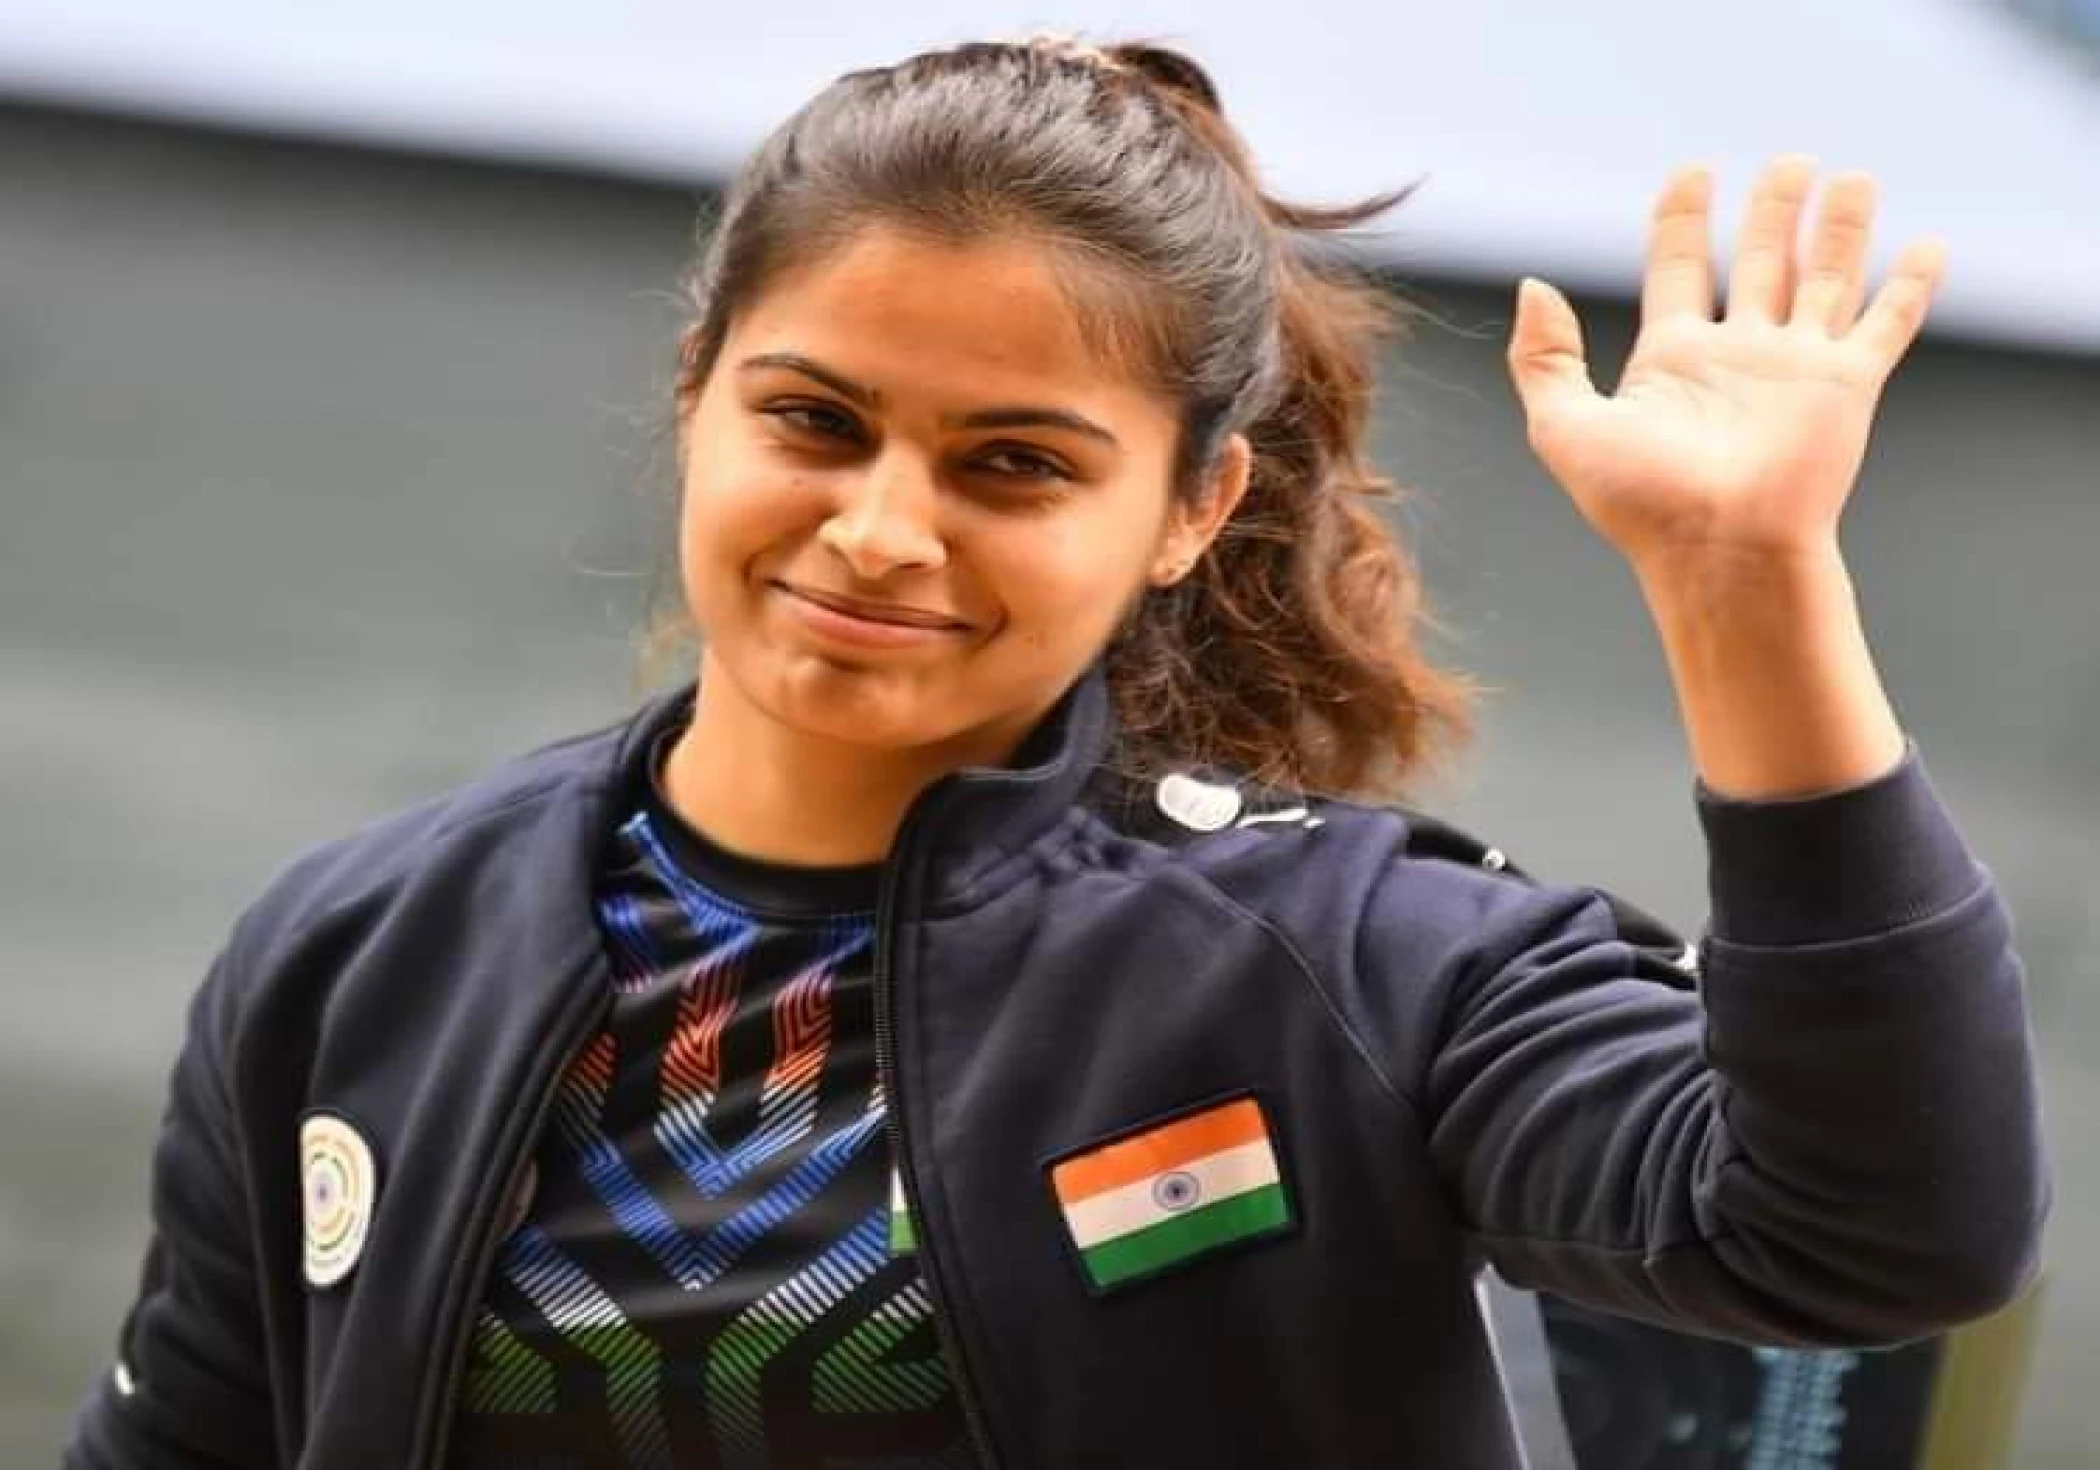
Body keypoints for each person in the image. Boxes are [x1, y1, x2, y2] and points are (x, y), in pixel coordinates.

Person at [65, 35, 2047, 1470]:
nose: (881, 527)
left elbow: (1878, 1232)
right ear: (697, 401)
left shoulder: (1355, 966)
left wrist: (1745, 586)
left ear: (1190, 511)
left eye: (1014, 463)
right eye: (816, 420)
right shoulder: (363, 944)